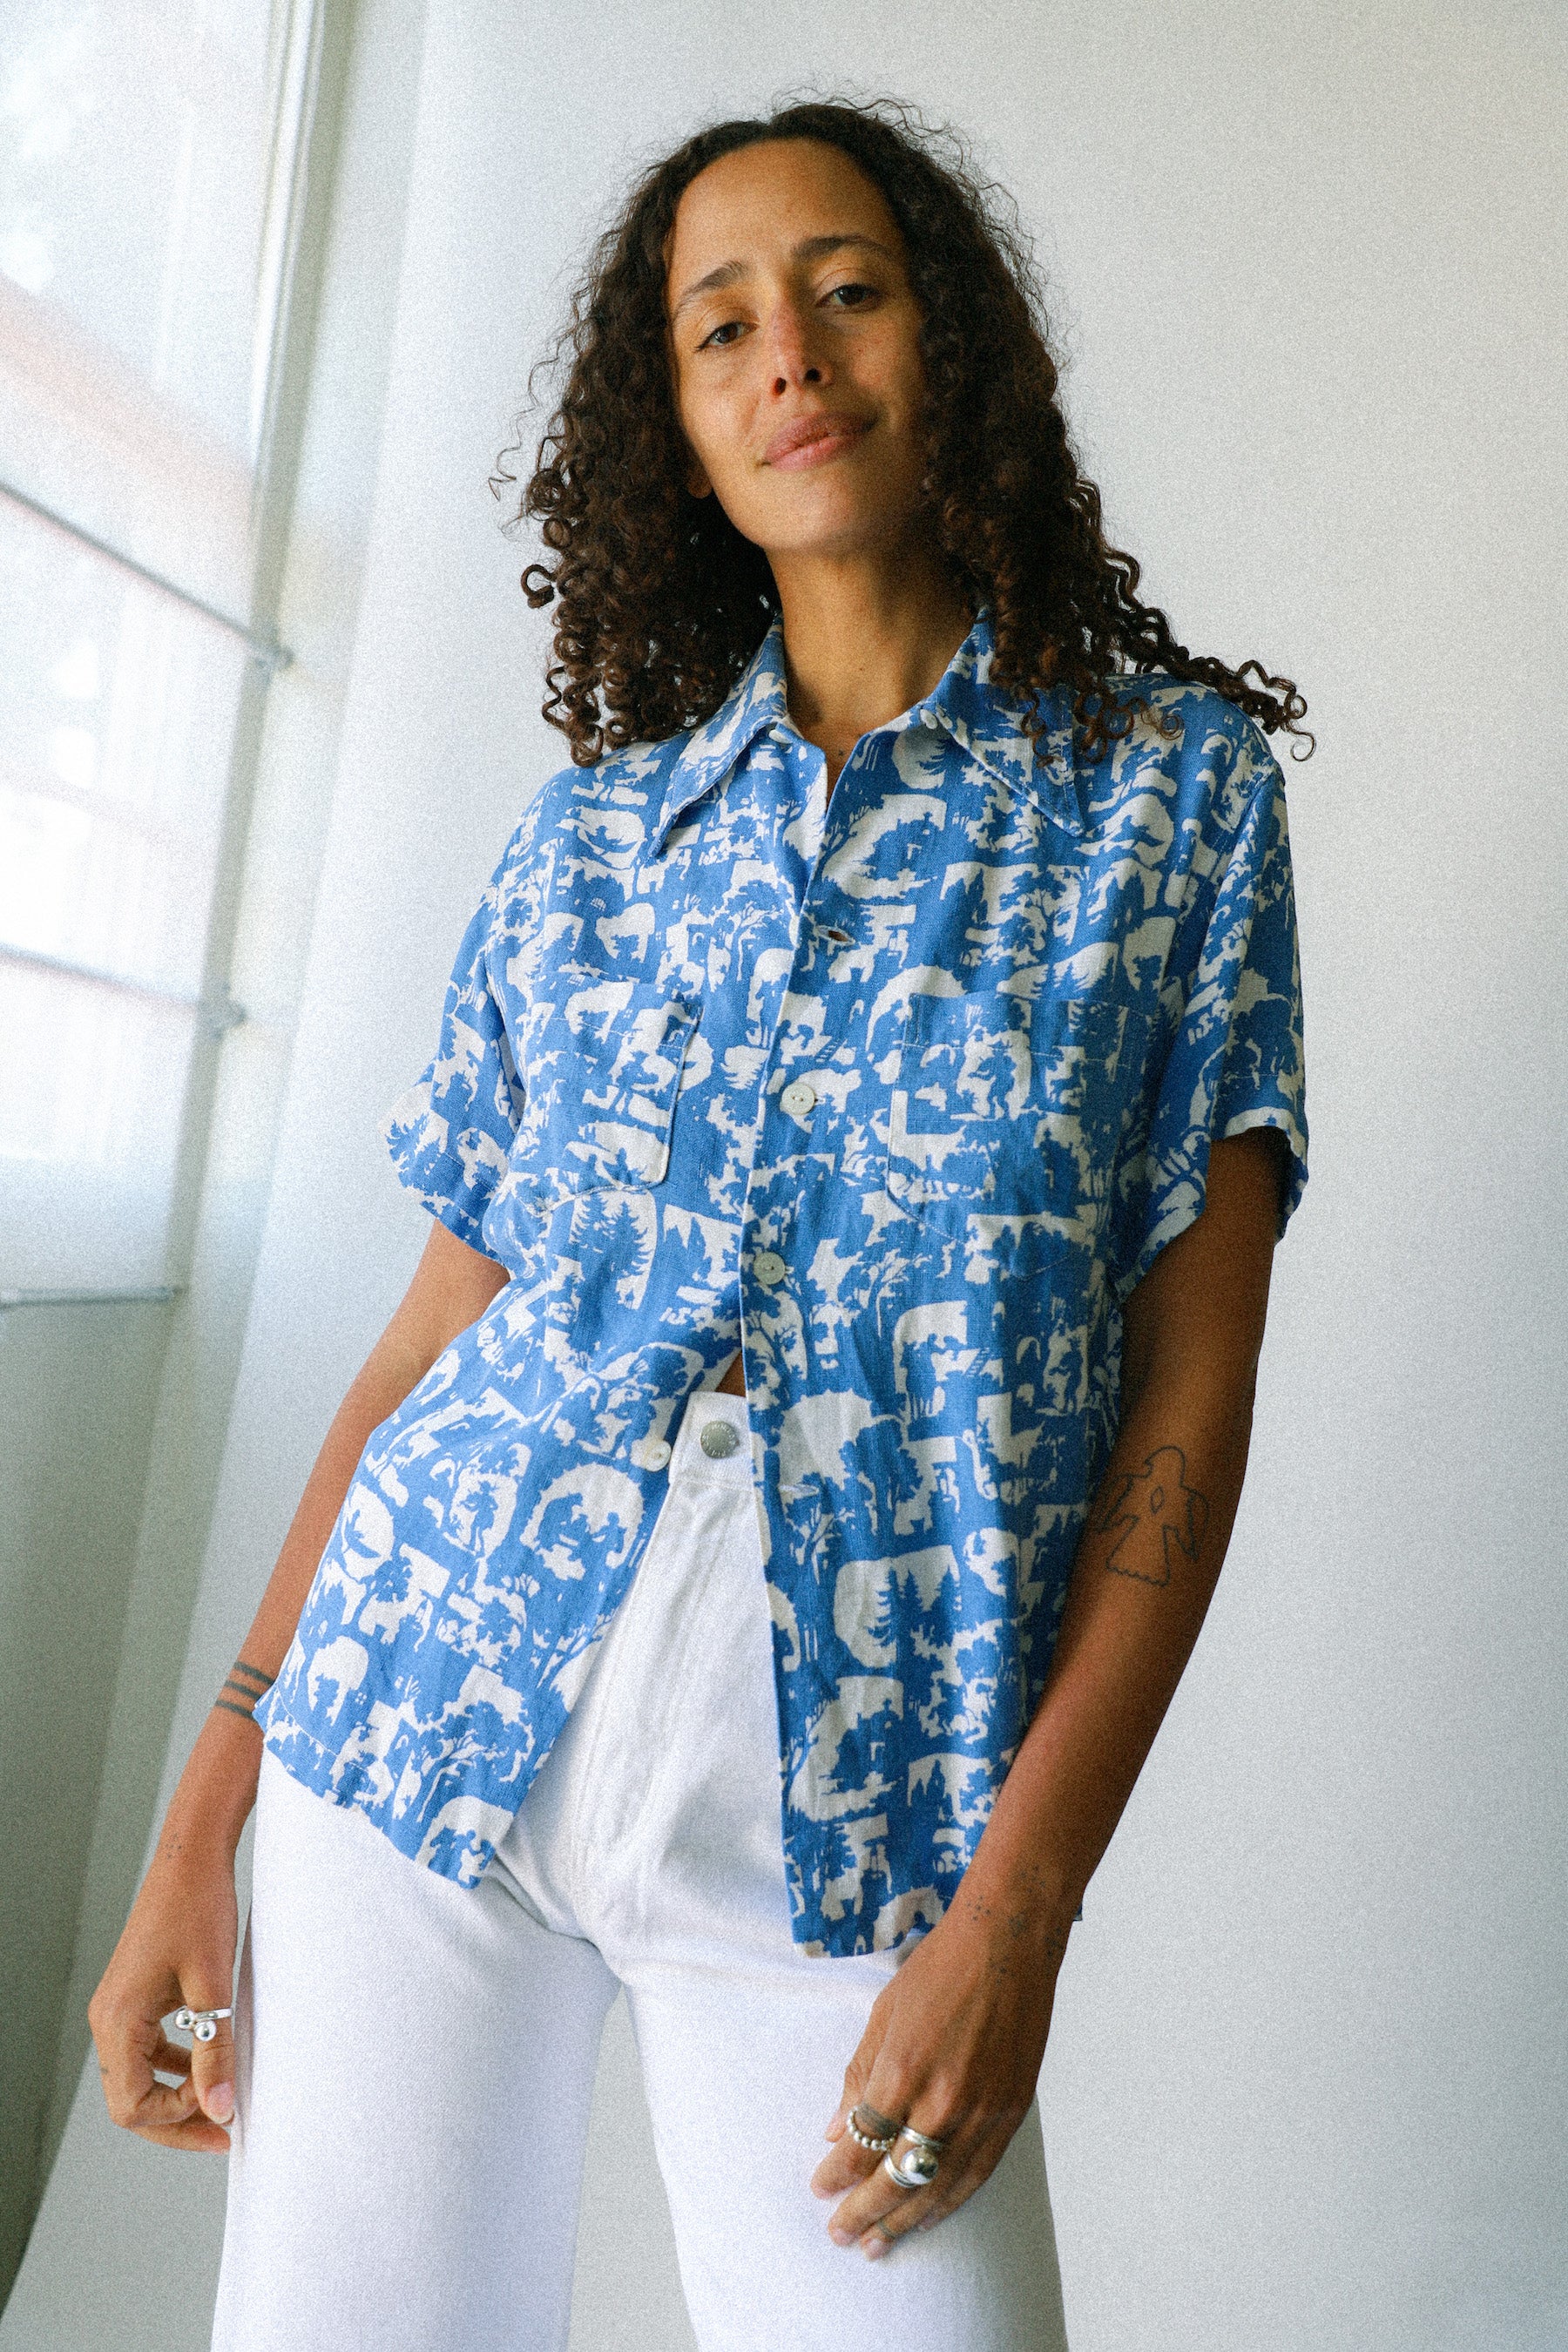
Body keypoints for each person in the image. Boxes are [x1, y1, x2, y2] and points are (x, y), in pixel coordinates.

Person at [88, 96, 1310, 2352]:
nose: (790, 355)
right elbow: (421, 1351)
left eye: (847, 289)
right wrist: (205, 1814)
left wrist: (1016, 1913)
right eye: (719, 322)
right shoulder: (588, 849)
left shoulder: (1165, 804)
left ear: (951, 347)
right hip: (426, 1711)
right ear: (670, 420)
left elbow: (1195, 1389)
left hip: (861, 1787)